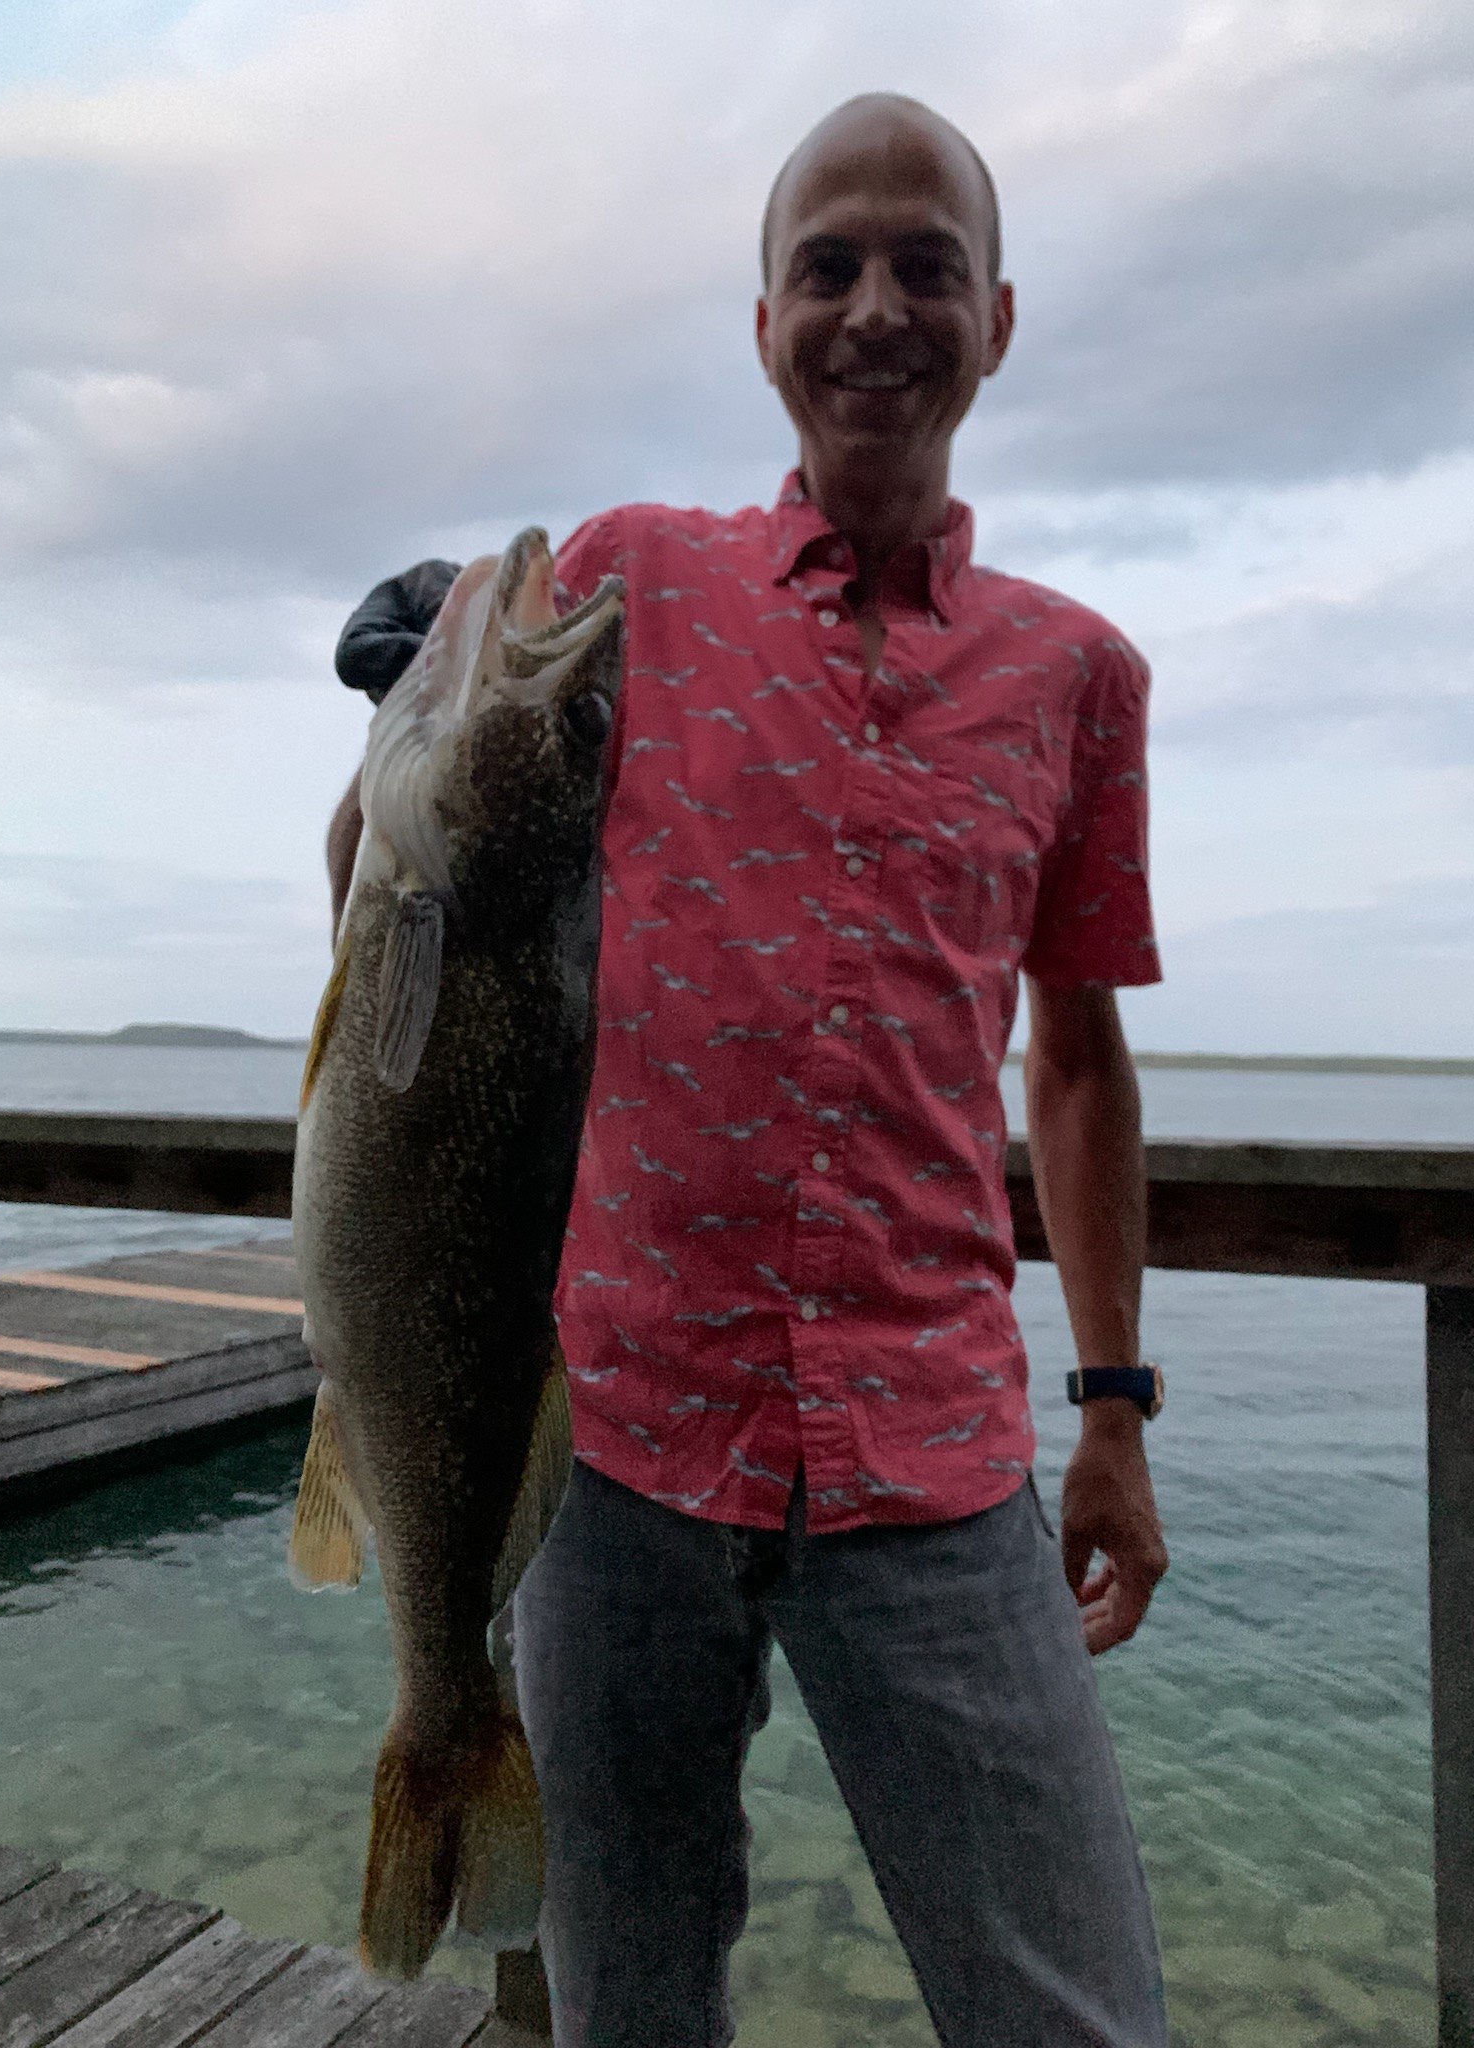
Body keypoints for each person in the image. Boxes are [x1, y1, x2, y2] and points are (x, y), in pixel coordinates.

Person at [329, 92, 1170, 2048]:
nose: (876, 306)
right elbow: (409, 900)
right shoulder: (627, 580)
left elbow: (1080, 1067)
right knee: (628, 2005)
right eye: (827, 266)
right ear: (766, 323)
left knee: (1074, 2013)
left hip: (934, 1457)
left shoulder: (1082, 678)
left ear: (999, 319)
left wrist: (1116, 1408)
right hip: (612, 1444)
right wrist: (406, 710)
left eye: (926, 266)